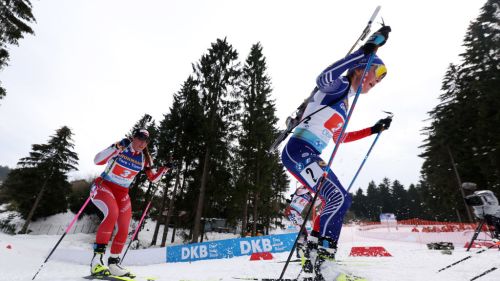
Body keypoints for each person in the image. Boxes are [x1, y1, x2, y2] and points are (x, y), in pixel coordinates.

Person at [280, 26, 392, 281]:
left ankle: (315, 253)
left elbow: (341, 137)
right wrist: (363, 54)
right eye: (372, 78)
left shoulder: (345, 103)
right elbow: (322, 77)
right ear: (362, 70)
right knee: (336, 198)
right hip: (299, 149)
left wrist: (373, 130)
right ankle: (324, 260)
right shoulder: (338, 86)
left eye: (376, 84)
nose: (373, 85)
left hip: (308, 153)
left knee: (341, 199)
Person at [90, 128, 172, 277]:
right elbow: (97, 160)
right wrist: (116, 148)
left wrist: (164, 169)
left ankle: (114, 263)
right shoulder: (121, 147)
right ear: (134, 138)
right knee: (112, 213)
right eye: (140, 138)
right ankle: (96, 261)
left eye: (145, 141)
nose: (142, 143)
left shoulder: (144, 158)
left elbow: (153, 178)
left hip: (122, 193)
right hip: (103, 186)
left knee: (124, 227)